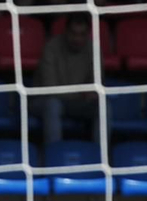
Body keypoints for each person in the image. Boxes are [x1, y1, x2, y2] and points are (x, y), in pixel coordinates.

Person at [35, 11, 100, 146]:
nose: (77, 39)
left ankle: (99, 156)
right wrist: (82, 94)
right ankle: (54, 158)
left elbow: (96, 86)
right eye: (73, 33)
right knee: (53, 104)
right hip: (43, 101)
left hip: (77, 102)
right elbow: (50, 89)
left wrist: (89, 94)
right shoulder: (51, 47)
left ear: (88, 34)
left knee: (104, 107)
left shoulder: (93, 50)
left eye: (82, 34)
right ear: (66, 32)